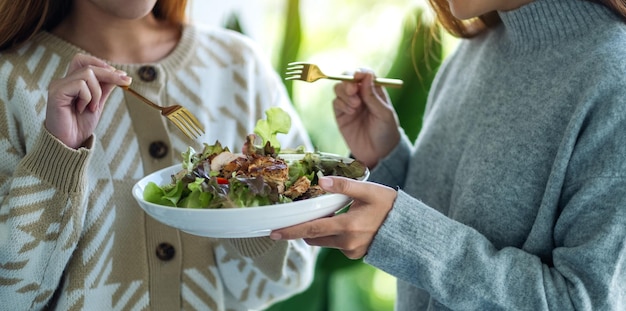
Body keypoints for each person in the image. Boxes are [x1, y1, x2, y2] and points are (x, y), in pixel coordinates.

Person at [270, 0, 626, 309]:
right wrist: (387, 158)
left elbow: (584, 301)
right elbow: (447, 225)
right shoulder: (471, 55)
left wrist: (406, 235)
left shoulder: (614, 82)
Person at [0, 0, 317, 310]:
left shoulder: (239, 64)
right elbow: (10, 299)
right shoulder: (10, 82)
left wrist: (244, 213)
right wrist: (57, 158)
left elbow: (290, 273)